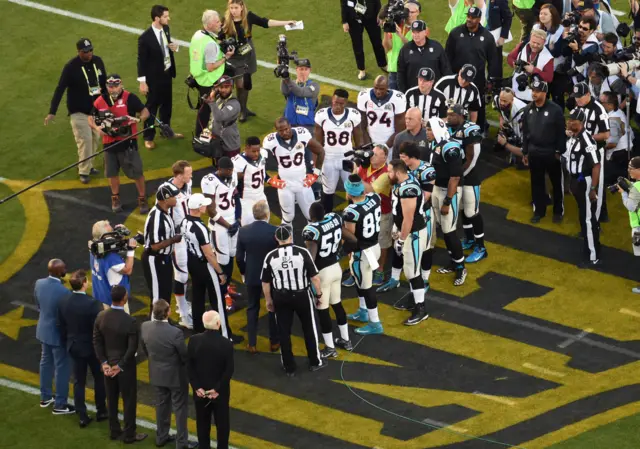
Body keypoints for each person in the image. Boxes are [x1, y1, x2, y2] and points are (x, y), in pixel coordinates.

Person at [262, 225, 325, 375]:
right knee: (309, 328)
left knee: (283, 332)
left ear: (276, 238)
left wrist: (269, 300)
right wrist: (319, 295)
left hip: (281, 297)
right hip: (301, 294)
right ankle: (315, 361)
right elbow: (314, 277)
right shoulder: (302, 252)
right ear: (291, 236)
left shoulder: (270, 256)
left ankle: (289, 367)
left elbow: (265, 282)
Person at [222, 0, 297, 121]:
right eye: (231, 8)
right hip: (235, 56)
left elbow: (265, 22)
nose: (233, 11)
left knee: (246, 83)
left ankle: (244, 109)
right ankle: (241, 111)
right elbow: (219, 38)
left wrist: (286, 22)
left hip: (247, 52)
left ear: (242, 7)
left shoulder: (248, 16)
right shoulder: (225, 21)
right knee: (240, 84)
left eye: (236, 8)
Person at [45, 38, 106, 184]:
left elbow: (103, 83)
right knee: (85, 140)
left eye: (90, 50)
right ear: (78, 52)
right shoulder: (71, 67)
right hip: (78, 111)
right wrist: (52, 111)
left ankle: (89, 166)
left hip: (96, 110)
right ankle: (83, 171)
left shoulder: (98, 61)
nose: (89, 53)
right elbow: (60, 88)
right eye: (85, 51)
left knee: (95, 139)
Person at [88, 74, 149, 214]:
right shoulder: (100, 100)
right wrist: (97, 128)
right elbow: (90, 117)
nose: (113, 89)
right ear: (107, 87)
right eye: (110, 86)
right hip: (109, 143)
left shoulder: (130, 97)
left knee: (137, 172)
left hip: (128, 143)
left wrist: (140, 119)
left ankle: (142, 198)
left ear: (121, 85)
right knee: (112, 173)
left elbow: (145, 110)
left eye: (116, 86)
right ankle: (115, 197)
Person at [93, 285, 147, 443]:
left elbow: (97, 342)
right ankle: (129, 434)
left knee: (111, 398)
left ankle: (114, 430)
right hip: (125, 368)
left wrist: (104, 363)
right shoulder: (130, 321)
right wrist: (120, 365)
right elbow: (132, 348)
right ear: (124, 298)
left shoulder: (101, 316)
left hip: (108, 367)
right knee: (129, 400)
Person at [141, 300, 196, 449]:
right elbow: (184, 356)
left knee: (161, 406)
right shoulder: (175, 332)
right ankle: (182, 443)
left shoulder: (145, 327)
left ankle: (161, 437)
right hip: (175, 376)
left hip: (157, 374)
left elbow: (145, 348)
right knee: (180, 408)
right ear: (168, 312)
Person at [181, 194, 235, 340]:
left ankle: (198, 331)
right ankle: (225, 335)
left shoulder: (184, 222)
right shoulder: (200, 228)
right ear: (199, 208)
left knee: (198, 297)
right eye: (203, 205)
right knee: (217, 300)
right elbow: (209, 255)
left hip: (192, 264)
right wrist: (221, 272)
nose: (206, 206)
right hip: (204, 266)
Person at [57, 270, 108, 427]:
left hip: (74, 346)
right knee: (99, 379)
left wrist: (67, 342)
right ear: (85, 283)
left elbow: (61, 325)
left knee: (79, 381)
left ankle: (82, 415)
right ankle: (101, 411)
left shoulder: (64, 301)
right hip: (92, 348)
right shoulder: (93, 304)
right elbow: (100, 329)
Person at [303, 203, 352, 357]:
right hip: (336, 268)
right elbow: (351, 238)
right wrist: (340, 253)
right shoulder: (334, 219)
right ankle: (346, 340)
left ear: (311, 216)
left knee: (323, 311)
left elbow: (311, 257)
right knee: (337, 304)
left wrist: (305, 273)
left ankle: (330, 348)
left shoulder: (312, 230)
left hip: (322, 273)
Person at [387, 159, 430, 325]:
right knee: (410, 269)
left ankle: (421, 308)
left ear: (398, 173)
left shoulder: (408, 189)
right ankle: (415, 301)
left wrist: (402, 238)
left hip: (414, 234)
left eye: (390, 171)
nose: (388, 174)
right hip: (408, 231)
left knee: (412, 272)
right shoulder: (404, 182)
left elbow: (409, 218)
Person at [137, 5, 183, 150]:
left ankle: (166, 131)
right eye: (165, 16)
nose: (168, 18)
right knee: (151, 108)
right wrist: (143, 82)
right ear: (157, 18)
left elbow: (166, 48)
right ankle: (148, 137)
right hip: (154, 79)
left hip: (167, 74)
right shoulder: (145, 38)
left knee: (167, 105)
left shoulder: (166, 29)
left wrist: (174, 48)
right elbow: (141, 61)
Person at [236, 200, 280, 354]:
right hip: (272, 276)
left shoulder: (244, 231)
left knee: (252, 307)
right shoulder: (275, 231)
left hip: (252, 274)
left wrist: (243, 272)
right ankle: (274, 342)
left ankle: (252, 343)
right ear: (267, 214)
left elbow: (239, 257)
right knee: (272, 307)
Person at [445, 7, 500, 130]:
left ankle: (478, 130)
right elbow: (447, 56)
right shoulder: (455, 33)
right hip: (457, 78)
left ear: (479, 19)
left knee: (478, 106)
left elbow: (493, 60)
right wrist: (448, 75)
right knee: (454, 103)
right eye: (468, 16)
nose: (469, 19)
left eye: (473, 17)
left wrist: (491, 79)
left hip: (477, 79)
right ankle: (452, 128)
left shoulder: (487, 37)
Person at [342, 175, 384, 334]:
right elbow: (370, 190)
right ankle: (363, 310)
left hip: (362, 253)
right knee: (361, 282)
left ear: (349, 193)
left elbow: (351, 237)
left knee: (367, 288)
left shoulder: (351, 211)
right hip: (374, 247)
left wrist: (346, 251)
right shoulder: (375, 198)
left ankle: (375, 323)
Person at [429, 118, 468, 286]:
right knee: (445, 229)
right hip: (438, 189)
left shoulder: (450, 148)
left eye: (429, 129)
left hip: (448, 192)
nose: (427, 132)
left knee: (450, 231)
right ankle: (454, 262)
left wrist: (448, 201)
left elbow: (455, 177)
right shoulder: (437, 144)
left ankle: (461, 267)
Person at [521, 79, 566, 223]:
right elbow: (525, 133)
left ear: (545, 93)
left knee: (556, 183)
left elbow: (561, 133)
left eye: (537, 91)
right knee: (536, 183)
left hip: (551, 152)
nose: (534, 93)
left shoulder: (556, 110)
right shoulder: (528, 109)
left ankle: (558, 211)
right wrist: (525, 152)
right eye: (533, 90)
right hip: (534, 152)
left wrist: (559, 151)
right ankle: (539, 211)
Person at [264, 118, 325, 225]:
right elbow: (258, 163)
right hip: (285, 185)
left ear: (290, 126)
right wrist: (268, 179)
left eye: (286, 129)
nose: (284, 132)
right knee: (287, 218)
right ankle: (288, 242)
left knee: (311, 216)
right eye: (280, 130)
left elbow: (320, 151)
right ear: (276, 130)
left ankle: (314, 240)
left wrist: (316, 174)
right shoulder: (270, 141)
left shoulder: (302, 134)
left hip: (303, 183)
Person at [447, 104, 487, 263]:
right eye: (448, 114)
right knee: (463, 208)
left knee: (472, 211)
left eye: (452, 115)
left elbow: (473, 158)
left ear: (461, 115)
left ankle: (481, 247)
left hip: (469, 176)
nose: (449, 117)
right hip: (457, 174)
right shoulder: (447, 128)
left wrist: (459, 175)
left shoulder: (471, 129)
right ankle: (469, 239)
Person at [188, 311, 234, 449]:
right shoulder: (226, 344)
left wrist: (197, 388)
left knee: (202, 425)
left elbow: (190, 367)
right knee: (222, 426)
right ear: (218, 324)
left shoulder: (194, 340)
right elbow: (229, 371)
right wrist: (217, 389)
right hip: (219, 394)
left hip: (200, 393)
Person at [201, 157, 242, 311]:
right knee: (222, 260)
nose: (231, 172)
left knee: (232, 256)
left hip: (232, 223)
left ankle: (227, 287)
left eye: (232, 169)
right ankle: (222, 293)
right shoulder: (209, 181)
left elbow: (236, 197)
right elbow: (210, 210)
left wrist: (238, 218)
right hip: (219, 226)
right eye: (228, 170)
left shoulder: (232, 176)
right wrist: (227, 224)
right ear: (220, 168)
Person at [563, 108, 602, 266]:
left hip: (583, 181)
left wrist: (593, 188)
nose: (570, 122)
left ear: (581, 123)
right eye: (570, 120)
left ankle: (593, 255)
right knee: (583, 215)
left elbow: (596, 165)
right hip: (575, 180)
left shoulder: (587, 140)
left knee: (587, 218)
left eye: (574, 121)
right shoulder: (574, 137)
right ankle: (589, 246)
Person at [34, 259, 73, 414]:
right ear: (59, 272)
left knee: (45, 363)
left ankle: (45, 397)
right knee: (62, 368)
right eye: (64, 268)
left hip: (43, 330)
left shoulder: (39, 283)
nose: (65, 270)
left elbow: (38, 305)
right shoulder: (64, 292)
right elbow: (66, 316)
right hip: (57, 335)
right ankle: (60, 405)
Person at [315, 89, 363, 213]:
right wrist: (317, 164)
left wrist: (359, 157)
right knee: (328, 192)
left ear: (345, 103)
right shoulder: (322, 115)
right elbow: (318, 143)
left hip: (347, 158)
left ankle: (354, 218)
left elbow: (358, 137)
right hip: (329, 158)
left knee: (353, 190)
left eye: (341, 104)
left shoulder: (353, 115)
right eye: (336, 102)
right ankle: (327, 221)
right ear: (332, 100)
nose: (337, 106)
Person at [190, 10, 235, 138]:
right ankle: (201, 134)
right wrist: (226, 57)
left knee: (204, 107)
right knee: (207, 108)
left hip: (199, 76)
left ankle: (200, 133)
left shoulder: (198, 34)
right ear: (209, 24)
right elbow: (210, 67)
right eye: (216, 22)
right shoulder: (209, 44)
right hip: (209, 79)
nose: (220, 23)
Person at [398, 142, 437, 290]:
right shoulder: (403, 169)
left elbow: (426, 196)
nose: (401, 160)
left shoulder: (426, 170)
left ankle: (425, 278)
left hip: (423, 213)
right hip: (405, 211)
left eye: (403, 157)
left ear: (412, 157)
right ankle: (400, 275)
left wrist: (408, 206)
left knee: (425, 247)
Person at [572, 81, 611, 221]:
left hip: (595, 152)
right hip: (581, 151)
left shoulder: (599, 109)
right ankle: (588, 214)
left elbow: (606, 134)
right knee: (584, 182)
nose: (577, 99)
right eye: (575, 96)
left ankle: (597, 219)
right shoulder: (577, 107)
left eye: (580, 96)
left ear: (588, 94)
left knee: (597, 185)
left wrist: (586, 138)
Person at [357, 144, 394, 288]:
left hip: (382, 212)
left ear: (385, 157)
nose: (371, 157)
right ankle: (371, 265)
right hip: (366, 211)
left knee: (382, 242)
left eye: (376, 155)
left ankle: (380, 270)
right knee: (365, 240)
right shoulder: (366, 166)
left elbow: (370, 189)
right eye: (372, 154)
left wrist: (355, 175)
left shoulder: (386, 172)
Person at [143, 183, 181, 315]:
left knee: (165, 292)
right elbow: (154, 246)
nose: (177, 199)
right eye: (174, 196)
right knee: (156, 295)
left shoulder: (165, 211)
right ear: (165, 199)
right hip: (155, 259)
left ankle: (163, 320)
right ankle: (154, 326)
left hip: (164, 258)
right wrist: (173, 240)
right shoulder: (156, 217)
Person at [163, 161, 194, 329]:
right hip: (177, 237)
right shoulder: (167, 190)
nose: (191, 176)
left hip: (187, 231)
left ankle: (181, 304)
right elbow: (163, 215)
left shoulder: (187, 184)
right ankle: (182, 314)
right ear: (179, 175)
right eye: (188, 173)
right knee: (181, 275)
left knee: (185, 271)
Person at [90, 220, 137, 311]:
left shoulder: (94, 248)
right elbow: (128, 270)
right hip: (115, 298)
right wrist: (131, 250)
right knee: (121, 322)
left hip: (102, 293)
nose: (113, 231)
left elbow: (114, 245)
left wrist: (120, 234)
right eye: (109, 228)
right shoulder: (110, 256)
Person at [358, 75, 407, 155]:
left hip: (391, 143)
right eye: (376, 88)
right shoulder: (364, 96)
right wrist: (368, 145)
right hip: (371, 140)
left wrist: (386, 147)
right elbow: (361, 126)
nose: (378, 91)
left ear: (388, 87)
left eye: (381, 89)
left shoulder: (397, 99)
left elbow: (400, 129)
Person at [397, 20, 451, 93]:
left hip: (435, 92)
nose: (415, 35)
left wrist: (444, 89)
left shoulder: (436, 47)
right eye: (413, 32)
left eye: (418, 32)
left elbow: (446, 69)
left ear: (425, 32)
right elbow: (401, 73)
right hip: (413, 93)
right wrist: (404, 92)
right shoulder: (405, 50)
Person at [340, 0, 388, 80]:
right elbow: (343, 3)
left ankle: (383, 64)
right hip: (353, 19)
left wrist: (380, 16)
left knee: (377, 41)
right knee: (357, 45)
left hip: (371, 16)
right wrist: (344, 21)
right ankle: (361, 69)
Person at [534, 4, 569, 110]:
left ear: (552, 16)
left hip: (557, 71)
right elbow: (532, 47)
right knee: (540, 98)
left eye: (545, 14)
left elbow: (556, 52)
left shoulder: (560, 30)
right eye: (541, 13)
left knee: (557, 100)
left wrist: (540, 47)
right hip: (540, 69)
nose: (542, 16)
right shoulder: (536, 28)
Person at [382, 0, 421, 90]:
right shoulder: (395, 24)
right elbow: (387, 47)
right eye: (407, 11)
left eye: (412, 12)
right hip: (394, 71)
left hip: (410, 71)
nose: (409, 15)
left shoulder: (422, 28)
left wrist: (400, 35)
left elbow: (415, 47)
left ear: (418, 12)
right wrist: (386, 31)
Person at [507, 29, 554, 103]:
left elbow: (549, 77)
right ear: (530, 39)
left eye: (538, 44)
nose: (535, 45)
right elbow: (510, 57)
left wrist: (534, 70)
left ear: (544, 42)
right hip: (517, 90)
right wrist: (514, 63)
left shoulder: (548, 57)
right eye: (533, 42)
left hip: (535, 96)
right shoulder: (522, 46)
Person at [232, 137, 269, 226]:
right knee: (246, 226)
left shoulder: (263, 153)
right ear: (246, 148)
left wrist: (269, 179)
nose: (256, 154)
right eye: (253, 151)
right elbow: (231, 182)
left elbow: (262, 171)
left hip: (261, 195)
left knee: (265, 223)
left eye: (258, 151)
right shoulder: (238, 162)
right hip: (246, 200)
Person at [205, 75, 242, 161]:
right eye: (221, 87)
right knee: (219, 169)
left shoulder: (234, 104)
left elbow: (219, 117)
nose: (224, 90)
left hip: (230, 144)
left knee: (232, 170)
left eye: (226, 87)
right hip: (218, 141)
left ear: (232, 88)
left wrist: (212, 102)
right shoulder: (219, 98)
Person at [618, 157, 640, 292]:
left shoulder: (637, 187)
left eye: (631, 168)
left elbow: (631, 206)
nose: (629, 171)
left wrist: (623, 194)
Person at [600, 91, 631, 185]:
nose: (600, 105)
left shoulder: (613, 119)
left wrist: (600, 148)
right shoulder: (618, 112)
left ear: (610, 105)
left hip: (618, 154)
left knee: (608, 181)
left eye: (602, 103)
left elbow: (612, 143)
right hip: (624, 150)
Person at [282, 59, 320, 132]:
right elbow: (284, 91)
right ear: (296, 69)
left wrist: (287, 80)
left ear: (310, 70)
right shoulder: (291, 83)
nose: (303, 72)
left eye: (306, 69)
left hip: (307, 125)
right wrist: (283, 77)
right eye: (301, 69)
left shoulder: (314, 86)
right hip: (290, 124)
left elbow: (301, 92)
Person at [563, 16, 599, 85]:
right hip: (570, 72)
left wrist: (576, 49)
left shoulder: (593, 45)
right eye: (580, 26)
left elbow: (580, 61)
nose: (581, 30)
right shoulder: (576, 33)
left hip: (583, 78)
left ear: (591, 31)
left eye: (585, 29)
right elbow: (565, 53)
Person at [495, 88, 527, 162]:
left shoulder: (523, 114)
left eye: (505, 101)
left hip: (528, 137)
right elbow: (498, 107)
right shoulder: (498, 100)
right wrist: (501, 119)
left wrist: (505, 143)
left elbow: (525, 152)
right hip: (514, 125)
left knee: (523, 158)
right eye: (501, 100)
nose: (502, 103)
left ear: (512, 100)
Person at [485, 0, 513, 79]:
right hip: (479, 34)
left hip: (495, 35)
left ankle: (496, 85)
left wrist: (502, 36)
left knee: (495, 64)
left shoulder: (501, 1)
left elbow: (508, 17)